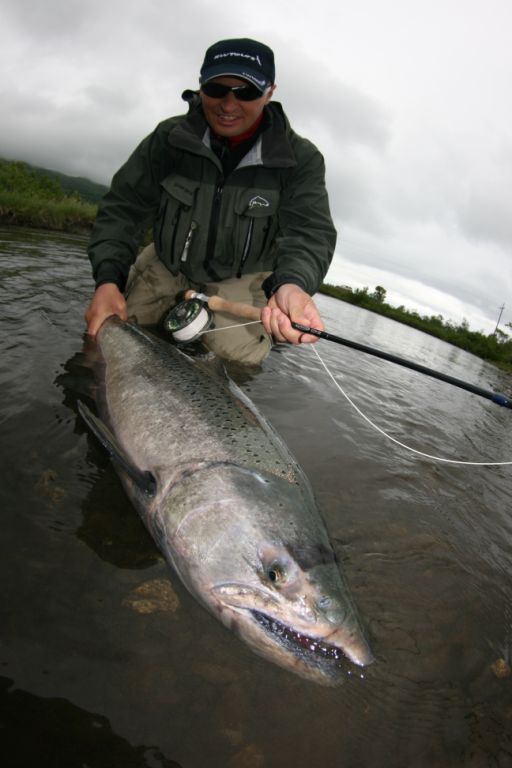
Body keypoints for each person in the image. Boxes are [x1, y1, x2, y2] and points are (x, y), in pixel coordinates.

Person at [85, 38, 337, 364]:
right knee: (108, 339)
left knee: (235, 366)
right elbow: (123, 209)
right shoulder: (169, 138)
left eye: (245, 92)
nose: (229, 104)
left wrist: (291, 284)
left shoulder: (301, 159)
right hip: (167, 264)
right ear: (201, 87)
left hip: (242, 283)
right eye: (217, 89)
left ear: (270, 92)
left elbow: (309, 235)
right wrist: (108, 281)